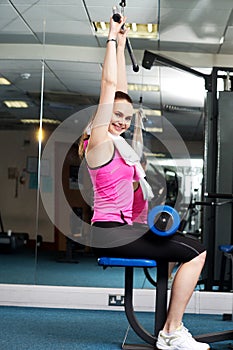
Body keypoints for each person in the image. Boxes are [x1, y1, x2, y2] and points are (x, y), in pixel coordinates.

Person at [79, 14, 209, 350]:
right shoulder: (98, 144)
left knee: (193, 244)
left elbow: (120, 91)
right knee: (195, 252)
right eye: (114, 116)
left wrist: (122, 45)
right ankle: (171, 331)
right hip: (109, 233)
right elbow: (109, 89)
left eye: (125, 117)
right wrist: (109, 38)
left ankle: (170, 329)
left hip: (126, 228)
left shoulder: (120, 146)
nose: (120, 121)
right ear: (100, 118)